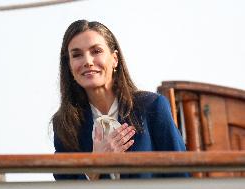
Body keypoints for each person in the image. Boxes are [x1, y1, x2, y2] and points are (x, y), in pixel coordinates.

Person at [51, 19, 187, 180]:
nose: (87, 61)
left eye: (96, 51)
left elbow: (181, 174)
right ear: (69, 66)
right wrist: (93, 166)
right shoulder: (64, 124)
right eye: (77, 55)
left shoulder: (153, 106)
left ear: (115, 59)